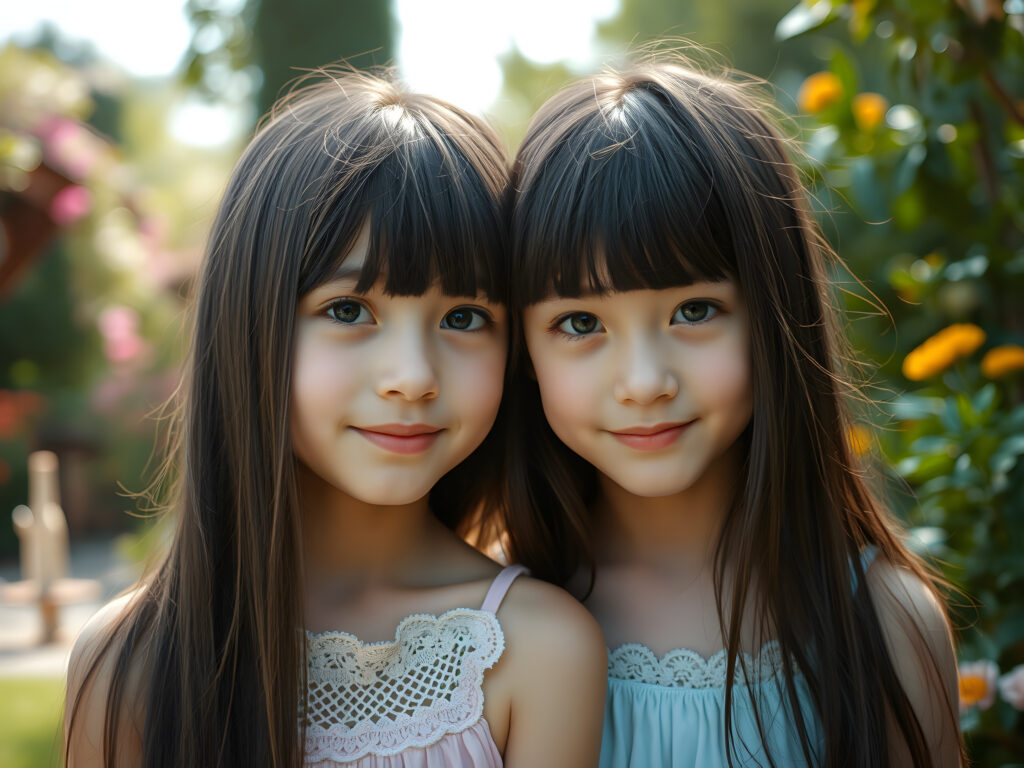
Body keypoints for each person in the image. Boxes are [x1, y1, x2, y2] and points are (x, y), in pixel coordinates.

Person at [64, 69, 606, 768]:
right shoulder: (129, 663)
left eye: (465, 317)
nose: (412, 376)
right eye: (348, 310)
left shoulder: (533, 650)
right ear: (249, 327)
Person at [500, 56, 963, 767]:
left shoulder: (883, 624)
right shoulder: (483, 628)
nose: (645, 382)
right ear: (522, 349)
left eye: (694, 310)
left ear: (775, 313)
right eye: (581, 324)